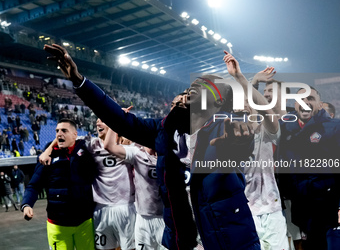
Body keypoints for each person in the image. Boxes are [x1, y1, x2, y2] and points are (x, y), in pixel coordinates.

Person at [44, 44, 260, 250]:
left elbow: (241, 144)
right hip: (182, 241)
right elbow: (119, 119)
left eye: (202, 89)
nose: (189, 92)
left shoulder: (225, 131)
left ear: (216, 104)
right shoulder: (164, 132)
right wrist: (79, 81)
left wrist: (243, 136)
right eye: (189, 89)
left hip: (226, 239)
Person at [223, 51, 289, 249]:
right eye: (241, 105)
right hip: (242, 210)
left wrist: (241, 78)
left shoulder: (267, 131)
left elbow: (265, 109)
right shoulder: (225, 135)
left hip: (272, 210)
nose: (246, 106)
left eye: (249, 103)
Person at [40, 118, 136, 250]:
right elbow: (64, 136)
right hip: (101, 209)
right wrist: (48, 150)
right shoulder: (90, 144)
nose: (97, 123)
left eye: (102, 120)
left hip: (126, 206)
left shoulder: (128, 147)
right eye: (97, 120)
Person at [279, 87, 340, 250]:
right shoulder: (287, 129)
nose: (305, 103)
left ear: (320, 105)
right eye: (301, 100)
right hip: (300, 203)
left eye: (310, 99)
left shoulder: (334, 127)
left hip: (326, 204)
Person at [21, 118, 96, 250]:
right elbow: (34, 185)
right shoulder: (47, 157)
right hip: (57, 225)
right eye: (57, 131)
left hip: (84, 223)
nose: (59, 133)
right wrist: (27, 204)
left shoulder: (87, 150)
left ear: (75, 134)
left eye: (64, 130)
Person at [103, 127, 165, 250]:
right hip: (142, 219)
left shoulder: (171, 155)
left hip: (165, 219)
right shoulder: (137, 153)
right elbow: (109, 146)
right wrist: (114, 123)